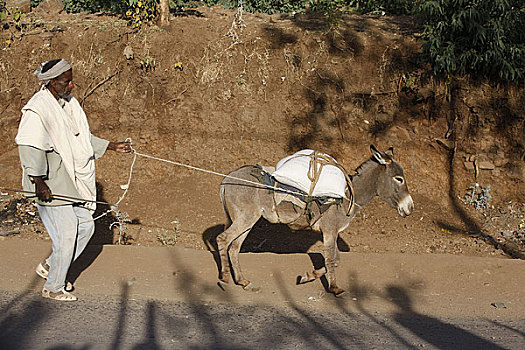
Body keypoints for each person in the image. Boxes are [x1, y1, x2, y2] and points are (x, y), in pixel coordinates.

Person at [15, 59, 132, 301]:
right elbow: (29, 146)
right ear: (50, 82)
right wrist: (38, 182)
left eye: (71, 79)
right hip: (48, 182)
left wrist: (111, 146)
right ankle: (54, 286)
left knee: (86, 226)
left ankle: (50, 265)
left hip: (69, 178)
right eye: (65, 81)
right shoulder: (38, 109)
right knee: (67, 234)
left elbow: (79, 137)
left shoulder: (68, 104)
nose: (71, 85)